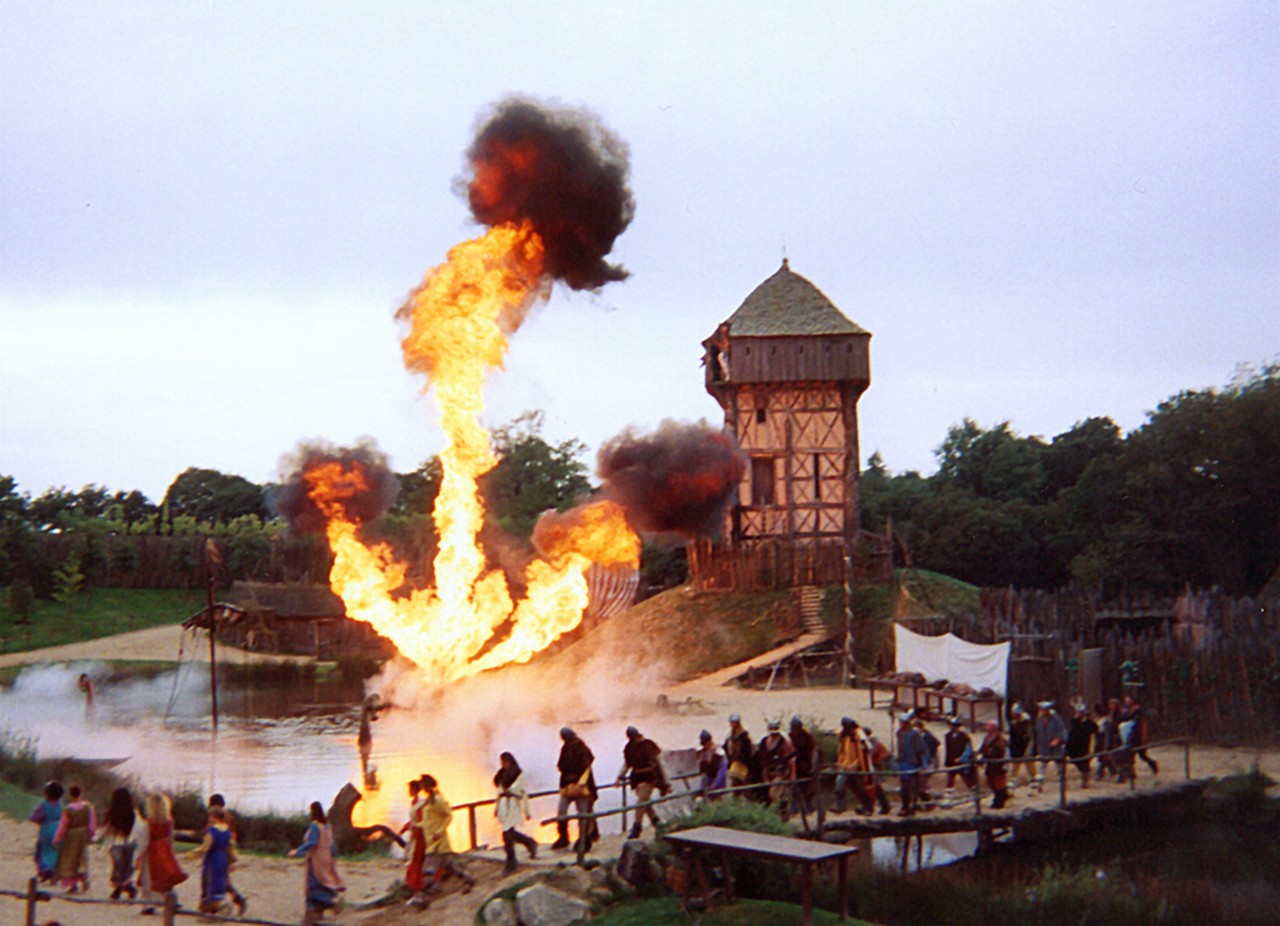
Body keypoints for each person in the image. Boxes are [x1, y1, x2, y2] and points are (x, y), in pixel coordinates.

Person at [415, 774, 474, 899]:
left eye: (422, 784)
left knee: (428, 868)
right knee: (449, 866)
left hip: (437, 841)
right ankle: (467, 878)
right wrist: (417, 825)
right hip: (431, 840)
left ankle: (425, 896)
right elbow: (429, 820)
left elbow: (448, 815)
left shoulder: (437, 800)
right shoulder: (429, 801)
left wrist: (440, 831)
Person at [288, 801, 345, 923]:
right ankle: (317, 913)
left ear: (313, 813)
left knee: (312, 886)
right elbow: (332, 843)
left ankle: (328, 904)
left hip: (316, 859)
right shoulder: (327, 826)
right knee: (324, 882)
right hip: (327, 858)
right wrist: (333, 857)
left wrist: (297, 851)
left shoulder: (315, 826)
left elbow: (312, 842)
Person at [617, 725, 671, 839]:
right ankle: (658, 824)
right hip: (637, 777)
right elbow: (627, 764)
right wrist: (620, 776)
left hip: (650, 776)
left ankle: (637, 827)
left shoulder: (649, 745)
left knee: (641, 802)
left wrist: (667, 782)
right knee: (645, 804)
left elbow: (661, 763)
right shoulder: (629, 747)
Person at [137, 792, 188, 914]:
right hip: (165, 849)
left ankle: (148, 903)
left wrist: (138, 856)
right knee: (165, 876)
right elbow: (170, 838)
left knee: (148, 878)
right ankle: (171, 899)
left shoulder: (148, 823)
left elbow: (144, 841)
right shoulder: (169, 822)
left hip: (151, 851)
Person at [553, 728, 598, 851]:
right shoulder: (565, 748)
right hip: (567, 784)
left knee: (583, 814)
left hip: (581, 786)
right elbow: (561, 766)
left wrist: (580, 785)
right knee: (561, 811)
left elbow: (586, 768)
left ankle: (584, 840)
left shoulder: (581, 748)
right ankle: (563, 838)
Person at [833, 717, 888, 815]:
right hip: (847, 766)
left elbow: (864, 752)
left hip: (862, 765)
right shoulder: (845, 736)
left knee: (870, 786)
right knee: (848, 786)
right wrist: (840, 763)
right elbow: (842, 751)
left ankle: (879, 806)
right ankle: (842, 805)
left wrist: (857, 764)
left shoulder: (859, 736)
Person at [493, 752, 537, 875]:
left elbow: (521, 791)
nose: (503, 764)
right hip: (503, 805)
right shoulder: (501, 774)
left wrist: (527, 811)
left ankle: (511, 861)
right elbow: (499, 791)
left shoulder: (518, 774)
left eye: (505, 762)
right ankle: (529, 842)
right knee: (510, 832)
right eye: (502, 762)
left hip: (513, 805)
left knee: (507, 834)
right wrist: (496, 808)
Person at [187, 805, 235, 915]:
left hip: (212, 858)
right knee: (219, 880)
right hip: (222, 857)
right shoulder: (227, 830)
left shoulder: (212, 831)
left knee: (209, 880)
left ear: (213, 817)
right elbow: (230, 846)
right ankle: (214, 903)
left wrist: (191, 855)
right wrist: (231, 860)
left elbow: (205, 847)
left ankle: (212, 905)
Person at [207, 794, 248, 915]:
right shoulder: (227, 817)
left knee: (220, 880)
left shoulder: (221, 819)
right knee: (219, 880)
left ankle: (236, 900)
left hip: (221, 854)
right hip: (222, 853)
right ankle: (216, 905)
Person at [53, 784, 96, 893]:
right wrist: (91, 835)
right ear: (81, 793)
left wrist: (57, 839)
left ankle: (73, 884)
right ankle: (84, 880)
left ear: (70, 794)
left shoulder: (68, 809)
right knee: (82, 858)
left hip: (71, 836)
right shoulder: (88, 807)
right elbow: (91, 823)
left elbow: (63, 825)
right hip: (83, 835)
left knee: (70, 859)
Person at [101, 787, 139, 901]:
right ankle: (126, 887)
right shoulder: (133, 813)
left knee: (118, 867)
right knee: (126, 867)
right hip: (129, 843)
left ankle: (121, 888)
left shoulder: (111, 813)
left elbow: (106, 830)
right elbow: (137, 828)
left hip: (115, 844)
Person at [757, 719, 797, 814]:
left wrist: (793, 774)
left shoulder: (783, 742)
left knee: (775, 794)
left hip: (780, 773)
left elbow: (791, 760)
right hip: (767, 773)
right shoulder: (764, 742)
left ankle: (779, 814)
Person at [894, 712, 929, 817]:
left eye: (902, 722)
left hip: (913, 763)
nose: (900, 724)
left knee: (913, 786)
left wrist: (923, 764)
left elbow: (921, 750)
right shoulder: (899, 733)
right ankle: (905, 806)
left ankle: (913, 805)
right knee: (904, 786)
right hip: (903, 763)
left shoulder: (914, 735)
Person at [398, 778, 427, 901]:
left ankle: (417, 889)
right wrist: (406, 827)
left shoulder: (420, 803)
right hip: (415, 834)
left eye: (410, 789)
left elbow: (420, 820)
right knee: (415, 861)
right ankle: (416, 887)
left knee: (416, 861)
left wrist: (413, 827)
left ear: (415, 790)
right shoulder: (415, 802)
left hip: (420, 835)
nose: (409, 792)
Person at [30, 781, 64, 883]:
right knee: (55, 852)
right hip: (58, 829)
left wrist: (39, 821)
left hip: (46, 829)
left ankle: (45, 871)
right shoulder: (60, 805)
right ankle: (54, 872)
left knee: (42, 851)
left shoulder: (43, 805)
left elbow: (35, 817)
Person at [1033, 701, 1067, 792]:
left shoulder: (1056, 718)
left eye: (1044, 709)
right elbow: (1038, 733)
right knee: (1042, 766)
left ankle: (1063, 783)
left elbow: (1061, 730)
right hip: (1044, 746)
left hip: (1055, 746)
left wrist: (1057, 739)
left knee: (1059, 765)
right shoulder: (1039, 719)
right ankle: (1040, 785)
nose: (1043, 711)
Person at [1121, 694, 1160, 775]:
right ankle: (1131, 773)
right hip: (1131, 735)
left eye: (1128, 700)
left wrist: (1143, 737)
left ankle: (1152, 764)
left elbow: (1143, 724)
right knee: (1130, 755)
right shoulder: (1127, 711)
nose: (1126, 702)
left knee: (1142, 755)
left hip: (1138, 735)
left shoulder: (1139, 711)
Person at [977, 720, 1011, 809]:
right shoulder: (987, 737)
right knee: (990, 781)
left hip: (998, 764)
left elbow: (1000, 751)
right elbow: (983, 748)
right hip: (990, 763)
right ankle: (1002, 796)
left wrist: (989, 753)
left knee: (998, 782)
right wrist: (979, 754)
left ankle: (999, 800)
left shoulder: (1000, 739)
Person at [788, 717, 818, 815]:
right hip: (793, 766)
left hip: (805, 766)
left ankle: (808, 806)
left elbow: (814, 750)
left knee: (808, 788)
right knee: (793, 788)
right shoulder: (789, 737)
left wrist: (813, 765)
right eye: (793, 727)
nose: (795, 730)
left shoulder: (807, 737)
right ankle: (793, 807)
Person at [1066, 703, 1099, 789]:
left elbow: (1095, 731)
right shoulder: (1074, 721)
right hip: (1074, 746)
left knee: (1084, 764)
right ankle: (1084, 777)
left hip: (1084, 745)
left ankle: (1085, 780)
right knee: (1076, 761)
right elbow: (1071, 732)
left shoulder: (1088, 723)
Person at [943, 716, 977, 797]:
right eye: (951, 725)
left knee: (967, 778)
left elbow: (968, 750)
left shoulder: (964, 737)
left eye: (954, 725)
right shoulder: (948, 736)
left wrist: (961, 759)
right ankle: (948, 795)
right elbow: (948, 749)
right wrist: (948, 760)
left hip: (961, 761)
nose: (952, 727)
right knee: (950, 778)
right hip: (951, 761)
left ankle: (975, 792)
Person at [723, 713, 754, 792]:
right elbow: (726, 748)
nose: (732, 724)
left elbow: (748, 752)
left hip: (743, 765)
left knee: (743, 787)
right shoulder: (730, 736)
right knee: (734, 787)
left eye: (734, 722)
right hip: (733, 764)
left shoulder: (744, 737)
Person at [1007, 704, 1034, 787]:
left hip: (1025, 744)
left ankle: (1033, 777)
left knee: (1028, 761)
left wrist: (1028, 747)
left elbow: (1029, 736)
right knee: (1016, 763)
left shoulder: (1026, 723)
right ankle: (1012, 779)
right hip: (1017, 746)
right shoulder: (1014, 723)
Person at [696, 730, 726, 798]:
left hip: (717, 784)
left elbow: (721, 772)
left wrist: (715, 785)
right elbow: (703, 771)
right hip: (706, 783)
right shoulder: (703, 753)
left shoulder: (719, 754)